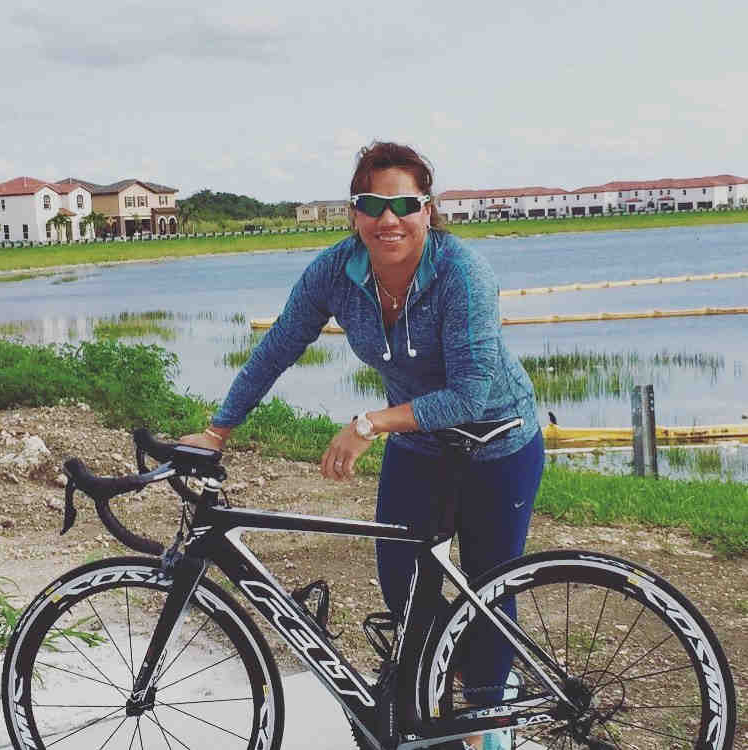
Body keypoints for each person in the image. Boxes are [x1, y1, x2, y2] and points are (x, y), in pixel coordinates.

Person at [181, 141, 544, 750]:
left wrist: (369, 424)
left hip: (498, 443)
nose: (388, 218)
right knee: (403, 584)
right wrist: (219, 429)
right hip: (420, 448)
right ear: (354, 213)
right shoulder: (336, 270)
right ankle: (430, 713)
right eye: (372, 204)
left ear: (428, 210)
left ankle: (490, 724)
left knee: (488, 589)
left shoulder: (463, 274)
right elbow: (280, 345)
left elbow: (471, 396)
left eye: (404, 203)